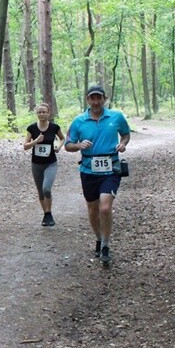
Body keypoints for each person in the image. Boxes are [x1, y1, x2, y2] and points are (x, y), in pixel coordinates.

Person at [64, 84, 131, 265]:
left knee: (105, 208)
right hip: (88, 169)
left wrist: (123, 144)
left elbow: (125, 134)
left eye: (98, 98)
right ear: (87, 100)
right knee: (93, 209)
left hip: (111, 168)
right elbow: (68, 145)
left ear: (104, 99)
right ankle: (99, 238)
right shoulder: (78, 121)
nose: (95, 102)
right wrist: (79, 145)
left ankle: (106, 246)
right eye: (92, 98)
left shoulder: (116, 117)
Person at [23, 103, 65, 226]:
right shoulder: (32, 128)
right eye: (39, 112)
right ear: (37, 113)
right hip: (36, 164)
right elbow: (25, 146)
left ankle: (49, 212)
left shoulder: (54, 127)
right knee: (40, 192)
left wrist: (58, 146)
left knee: (46, 188)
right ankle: (46, 215)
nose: (41, 114)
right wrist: (36, 141)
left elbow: (62, 138)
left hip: (51, 163)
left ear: (48, 113)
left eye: (44, 112)